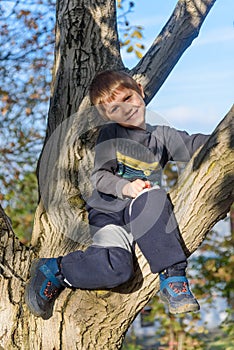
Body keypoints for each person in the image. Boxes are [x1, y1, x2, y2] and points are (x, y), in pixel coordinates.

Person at [25, 70, 209, 320]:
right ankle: (55, 270)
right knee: (116, 270)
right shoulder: (111, 135)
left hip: (142, 210)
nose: (126, 109)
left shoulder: (162, 136)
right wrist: (125, 187)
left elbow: (198, 144)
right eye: (114, 108)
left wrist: (223, 138)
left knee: (153, 196)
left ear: (140, 92)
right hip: (108, 212)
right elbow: (100, 176)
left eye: (128, 98)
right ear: (105, 116)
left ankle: (173, 278)